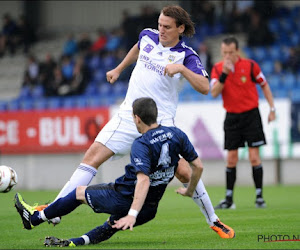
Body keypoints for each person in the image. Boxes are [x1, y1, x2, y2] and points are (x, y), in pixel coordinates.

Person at [33, 5, 231, 237]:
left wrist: (181, 69)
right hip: (129, 116)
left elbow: (205, 87)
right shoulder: (147, 35)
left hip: (159, 125)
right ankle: (54, 210)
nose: (161, 30)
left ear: (180, 28)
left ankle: (214, 220)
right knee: (91, 158)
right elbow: (137, 49)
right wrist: (118, 68)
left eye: (167, 27)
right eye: (159, 24)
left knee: (185, 173)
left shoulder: (187, 56)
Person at [15, 97, 235, 247]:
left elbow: (143, 181)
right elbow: (198, 166)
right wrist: (190, 190)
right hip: (149, 211)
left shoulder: (141, 144)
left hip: (124, 198)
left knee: (79, 193)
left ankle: (35, 218)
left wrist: (132, 213)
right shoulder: (177, 134)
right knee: (111, 225)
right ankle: (74, 242)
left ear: (137, 118)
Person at [210, 36, 276, 209]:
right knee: (231, 159)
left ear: (237, 51)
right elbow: (214, 92)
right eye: (224, 53)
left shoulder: (250, 65)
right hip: (232, 117)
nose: (228, 56)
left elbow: (265, 85)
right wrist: (225, 73)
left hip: (251, 115)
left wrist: (272, 108)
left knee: (254, 157)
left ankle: (259, 197)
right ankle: (229, 199)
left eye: (231, 52)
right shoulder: (217, 69)